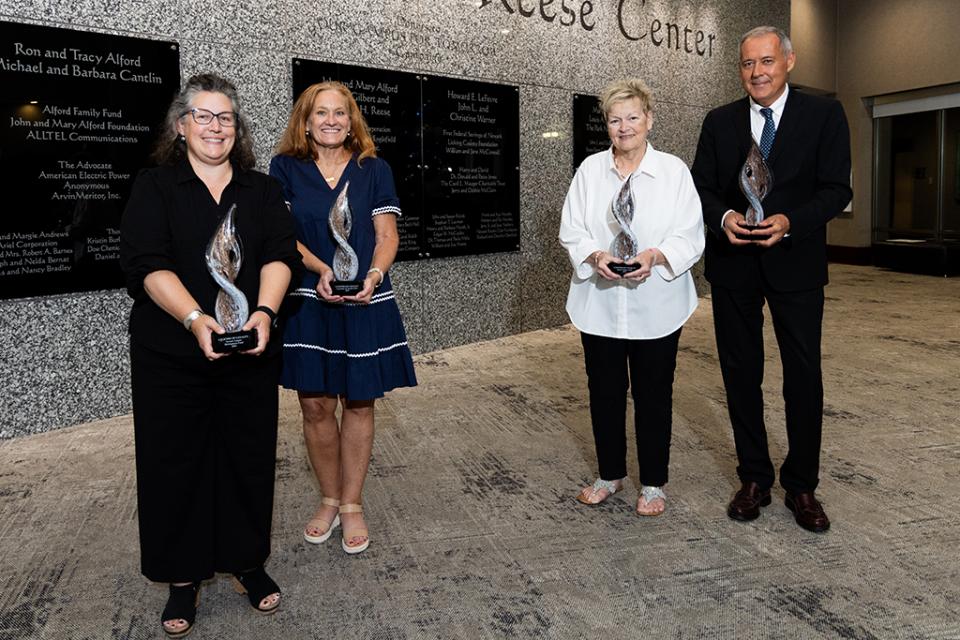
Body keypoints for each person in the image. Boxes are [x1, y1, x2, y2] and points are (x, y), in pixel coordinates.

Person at [120, 73, 301, 637]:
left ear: (236, 127)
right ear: (181, 127)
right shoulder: (154, 186)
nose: (215, 127)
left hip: (250, 349)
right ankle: (182, 576)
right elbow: (147, 264)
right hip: (172, 351)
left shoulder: (262, 191)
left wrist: (265, 314)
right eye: (203, 116)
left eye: (225, 117)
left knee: (245, 455)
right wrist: (196, 319)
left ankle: (246, 563)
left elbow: (278, 256)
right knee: (175, 460)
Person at [690, 26, 852, 533]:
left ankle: (802, 486)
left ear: (789, 61)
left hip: (796, 262)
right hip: (734, 263)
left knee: (803, 376)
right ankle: (754, 478)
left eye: (765, 62)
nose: (756, 73)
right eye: (746, 64)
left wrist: (791, 222)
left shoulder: (824, 115)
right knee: (741, 374)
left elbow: (834, 190)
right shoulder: (719, 122)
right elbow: (701, 187)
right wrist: (722, 219)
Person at [270, 81, 417, 555]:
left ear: (351, 120)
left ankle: (352, 503)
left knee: (358, 400)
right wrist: (320, 270)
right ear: (305, 122)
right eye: (321, 113)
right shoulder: (285, 168)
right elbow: (282, 237)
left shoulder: (374, 169)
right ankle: (329, 498)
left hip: (365, 299)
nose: (331, 121)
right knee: (314, 405)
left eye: (340, 113)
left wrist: (373, 274)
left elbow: (387, 234)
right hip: (310, 297)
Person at [559, 78, 704, 517]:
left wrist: (657, 255)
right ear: (607, 124)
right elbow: (572, 228)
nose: (624, 128)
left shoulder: (674, 172)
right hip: (600, 303)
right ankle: (610, 474)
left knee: (653, 393)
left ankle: (654, 483)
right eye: (615, 119)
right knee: (603, 391)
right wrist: (595, 254)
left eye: (633, 117)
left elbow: (690, 232)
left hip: (657, 304)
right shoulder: (589, 171)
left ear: (650, 119)